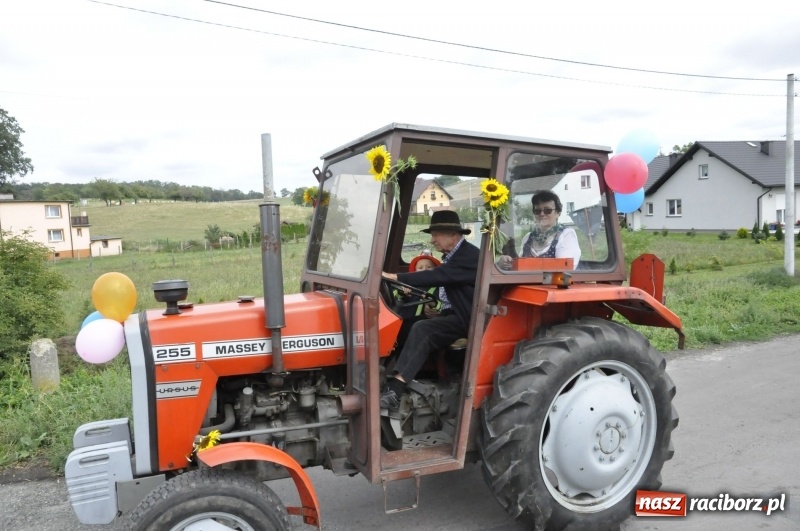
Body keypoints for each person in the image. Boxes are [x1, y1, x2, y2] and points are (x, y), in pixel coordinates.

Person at [380, 210, 479, 410]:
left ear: (453, 234)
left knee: (422, 329)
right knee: (405, 326)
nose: (432, 240)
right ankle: (389, 375)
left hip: (470, 319)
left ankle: (396, 389)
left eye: (436, 235)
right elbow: (445, 282)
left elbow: (439, 276)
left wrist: (395, 277)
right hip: (456, 314)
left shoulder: (468, 256)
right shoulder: (453, 256)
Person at [498, 190, 581, 269]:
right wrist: (508, 263)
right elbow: (521, 268)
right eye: (537, 211)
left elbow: (564, 268)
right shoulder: (528, 238)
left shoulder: (566, 235)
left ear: (558, 213)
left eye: (547, 210)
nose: (542, 214)